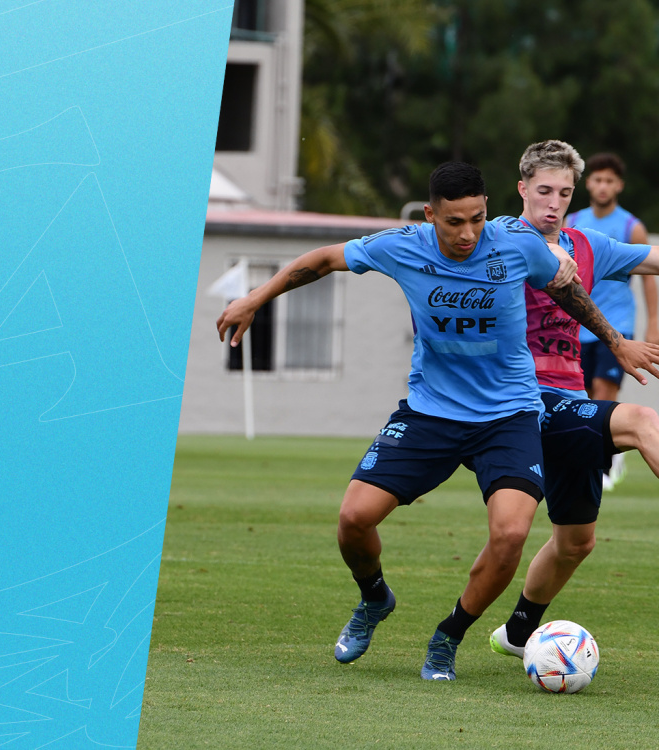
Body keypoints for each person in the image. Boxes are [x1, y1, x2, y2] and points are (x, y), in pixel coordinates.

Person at [215, 162, 658, 681]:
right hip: (432, 411)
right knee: (354, 521)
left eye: (477, 218)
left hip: (509, 413)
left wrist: (613, 339)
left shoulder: (517, 245)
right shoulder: (403, 246)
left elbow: (567, 290)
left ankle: (448, 637)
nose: (468, 233)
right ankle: (375, 598)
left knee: (512, 533)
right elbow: (325, 259)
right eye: (453, 222)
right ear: (431, 215)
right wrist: (254, 297)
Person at [489, 140, 659, 658]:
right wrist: (544, 251)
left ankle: (517, 634)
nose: (554, 201)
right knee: (640, 420)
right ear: (522, 189)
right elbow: (503, 248)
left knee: (575, 542)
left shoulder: (588, 245)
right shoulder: (495, 236)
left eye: (564, 192)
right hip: (522, 401)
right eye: (543, 190)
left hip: (569, 398)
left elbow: (652, 260)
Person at [567, 152, 659, 489]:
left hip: (618, 323)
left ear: (619, 185)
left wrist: (653, 323)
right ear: (587, 183)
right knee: (586, 394)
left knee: (605, 391)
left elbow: (649, 276)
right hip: (579, 324)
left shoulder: (631, 226)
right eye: (597, 179)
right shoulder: (573, 220)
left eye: (610, 180)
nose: (603, 186)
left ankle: (606, 462)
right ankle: (607, 446)